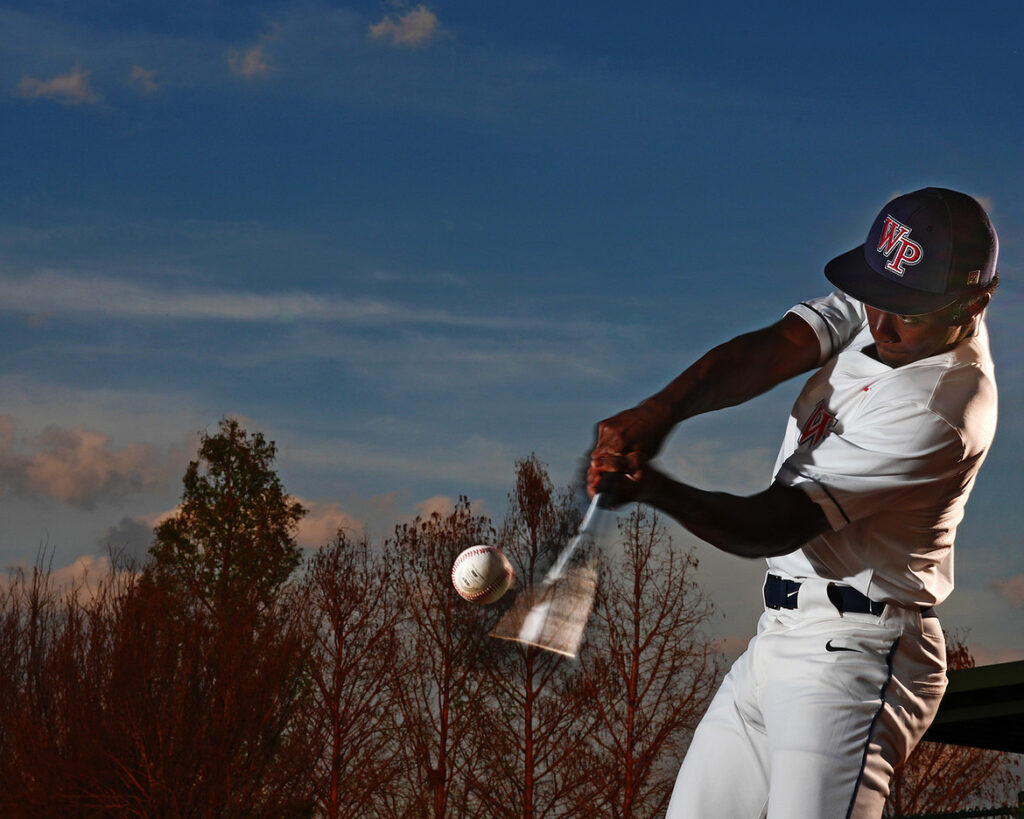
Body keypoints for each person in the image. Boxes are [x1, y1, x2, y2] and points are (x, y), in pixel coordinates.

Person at [587, 187, 1000, 819]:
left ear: (975, 303)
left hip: (861, 654)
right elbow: (778, 345)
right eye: (877, 297)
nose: (881, 324)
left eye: (906, 312)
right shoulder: (904, 298)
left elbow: (773, 525)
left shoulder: (942, 406)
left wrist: (652, 488)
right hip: (776, 638)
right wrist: (658, 412)